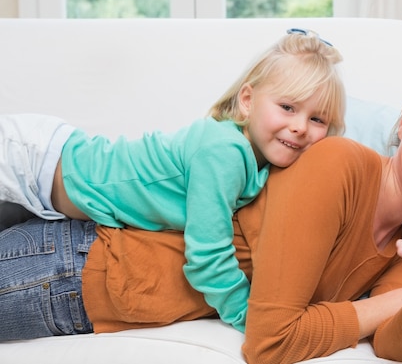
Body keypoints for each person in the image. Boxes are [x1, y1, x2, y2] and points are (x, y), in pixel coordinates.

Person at [0, 59, 402, 364]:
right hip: (79, 268)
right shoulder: (339, 162)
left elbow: (397, 347)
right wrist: (400, 304)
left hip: (91, 287)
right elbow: (270, 342)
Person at [0, 28, 345, 333]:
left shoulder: (262, 163)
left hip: (48, 188)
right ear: (247, 101)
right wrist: (250, 317)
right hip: (33, 160)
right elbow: (208, 258)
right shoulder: (224, 153)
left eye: (317, 118)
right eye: (287, 107)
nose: (300, 126)